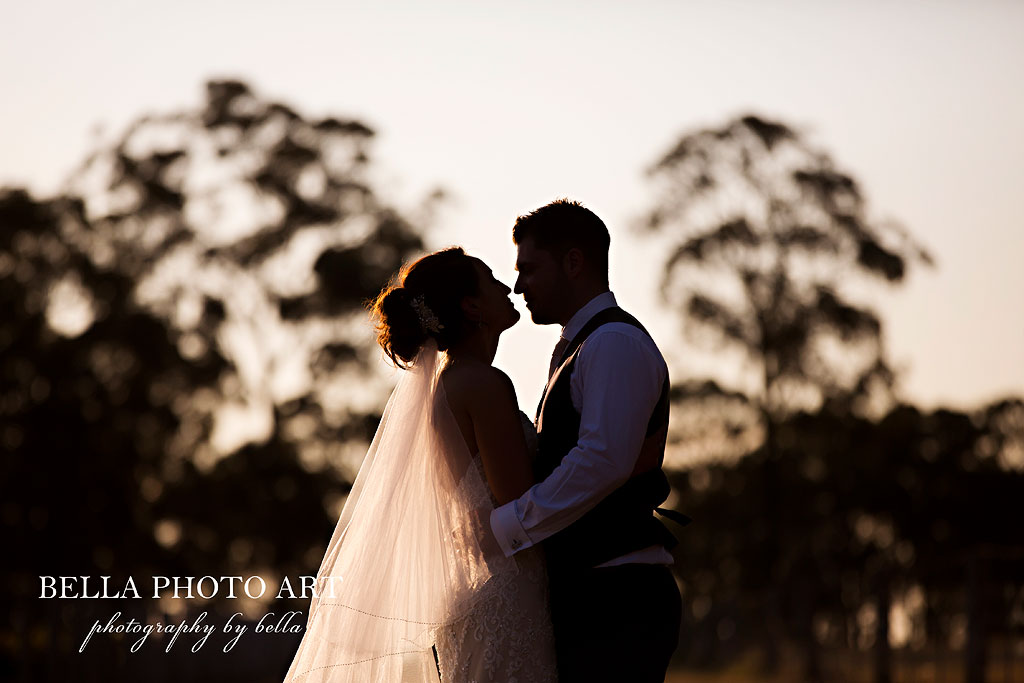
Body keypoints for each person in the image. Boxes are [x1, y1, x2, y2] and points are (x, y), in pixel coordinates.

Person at [283, 247, 558, 683]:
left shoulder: (446, 388)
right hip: (509, 589)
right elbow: (518, 501)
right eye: (491, 280)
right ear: (471, 307)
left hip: (471, 592)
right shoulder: (482, 383)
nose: (508, 288)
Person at [489, 199, 684, 682]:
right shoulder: (582, 345)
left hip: (620, 594)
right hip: (596, 589)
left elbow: (603, 459)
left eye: (529, 268)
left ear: (574, 262)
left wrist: (514, 523)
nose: (519, 285)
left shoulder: (613, 343)